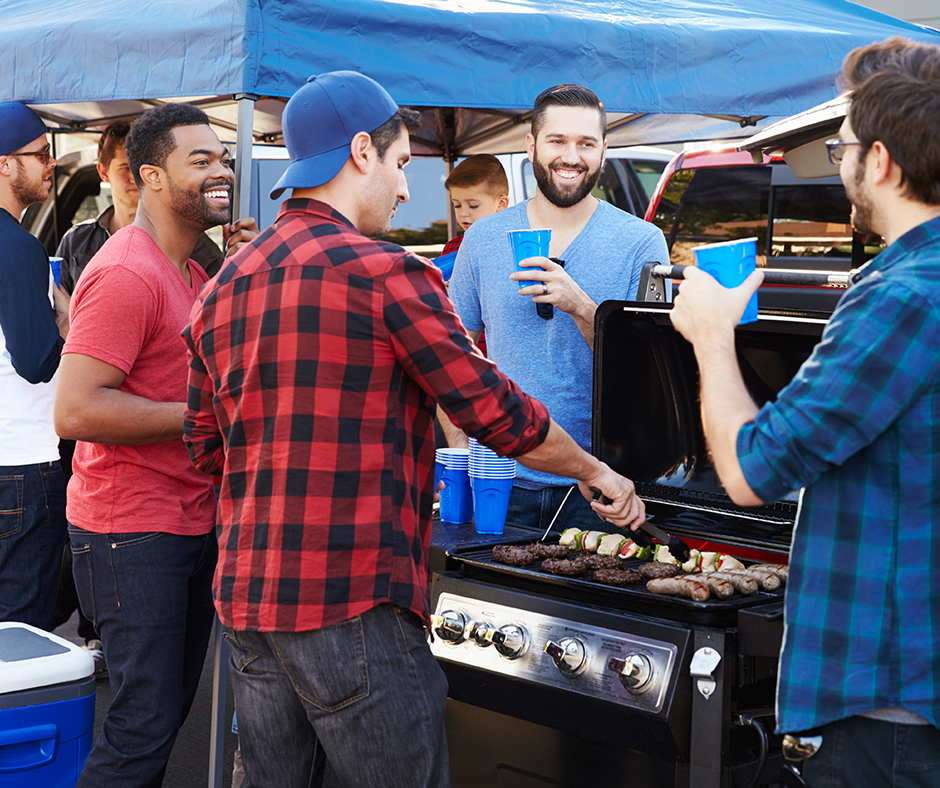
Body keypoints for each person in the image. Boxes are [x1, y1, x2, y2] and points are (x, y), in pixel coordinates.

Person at [183, 70, 645, 788]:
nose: (406, 191)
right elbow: (491, 408)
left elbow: (205, 447)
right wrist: (596, 471)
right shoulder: (387, 271)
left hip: (247, 604)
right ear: (362, 152)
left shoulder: (225, 284)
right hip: (352, 602)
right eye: (403, 166)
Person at [669, 37, 940, 788]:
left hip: (887, 704)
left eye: (842, 142)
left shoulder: (903, 295)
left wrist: (713, 337)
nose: (837, 157)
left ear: (879, 162)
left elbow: (754, 470)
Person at [53, 103, 255, 788]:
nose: (221, 168)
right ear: (151, 178)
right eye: (200, 159)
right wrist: (201, 417)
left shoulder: (195, 273)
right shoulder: (127, 272)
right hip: (130, 531)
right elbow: (76, 407)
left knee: (161, 718)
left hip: (184, 522)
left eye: (222, 157)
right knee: (142, 724)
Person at [449, 84, 669, 534]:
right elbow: (451, 359)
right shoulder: (483, 238)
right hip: (499, 481)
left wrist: (583, 307)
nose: (572, 156)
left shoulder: (642, 242)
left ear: (604, 150)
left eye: (586, 143)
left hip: (602, 487)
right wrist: (460, 454)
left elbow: (651, 380)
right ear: (531, 145)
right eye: (557, 141)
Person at [0, 101, 70, 629]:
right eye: (41, 154)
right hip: (22, 464)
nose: (52, 164)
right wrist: (71, 322)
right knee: (21, 638)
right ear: (5, 163)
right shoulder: (19, 248)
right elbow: (37, 363)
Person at [56, 120, 253, 293]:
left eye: (225, 162)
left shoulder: (197, 246)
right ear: (103, 172)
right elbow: (58, 308)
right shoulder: (77, 240)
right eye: (126, 168)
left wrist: (248, 268)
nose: (136, 176)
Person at [441, 153, 509, 255]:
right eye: (457, 205)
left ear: (501, 204)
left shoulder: (511, 245)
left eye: (473, 205)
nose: (463, 213)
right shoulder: (452, 247)